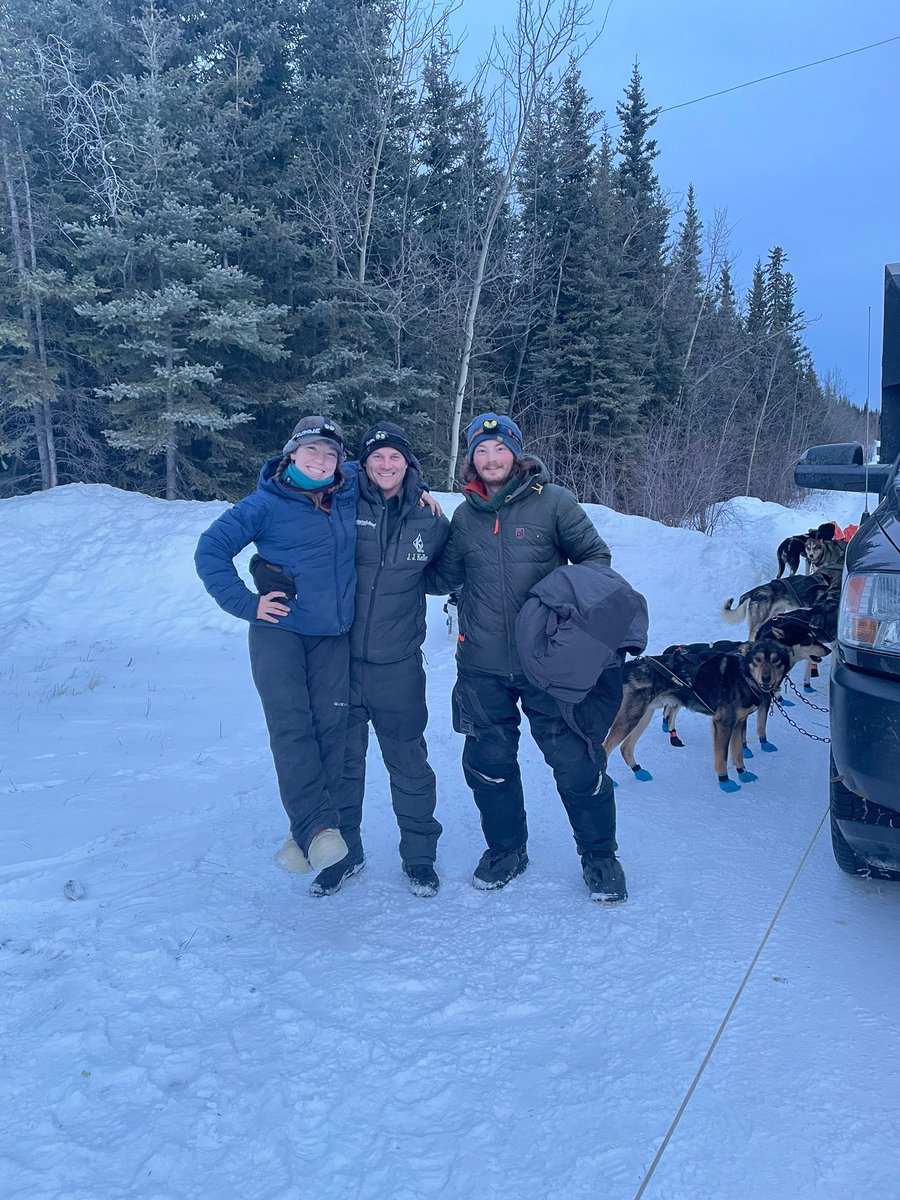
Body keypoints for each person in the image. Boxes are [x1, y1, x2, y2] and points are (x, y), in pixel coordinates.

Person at [430, 412, 629, 902]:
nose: (491, 458)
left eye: (500, 449)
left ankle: (600, 856)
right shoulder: (463, 516)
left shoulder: (554, 502)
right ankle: (506, 850)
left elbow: (596, 563)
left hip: (550, 666)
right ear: (471, 458)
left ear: (516, 453)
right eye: (482, 450)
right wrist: (424, 523)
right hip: (482, 666)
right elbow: (440, 580)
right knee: (488, 764)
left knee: (577, 763)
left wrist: (561, 614)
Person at [254, 421, 451, 899]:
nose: (386, 465)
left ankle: (420, 855)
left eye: (395, 457)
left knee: (409, 762)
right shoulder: (338, 502)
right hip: (339, 661)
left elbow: (446, 575)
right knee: (342, 764)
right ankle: (345, 854)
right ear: (362, 463)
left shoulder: (430, 519)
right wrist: (268, 570)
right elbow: (290, 499)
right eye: (377, 457)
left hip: (398, 665)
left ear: (410, 464)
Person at [194, 416, 358, 878]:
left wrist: (421, 489)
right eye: (312, 452)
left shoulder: (347, 489)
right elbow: (210, 550)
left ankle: (304, 832)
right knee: (292, 729)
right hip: (279, 633)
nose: (322, 461)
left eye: (331, 454)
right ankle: (318, 829)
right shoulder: (262, 504)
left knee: (331, 730)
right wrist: (247, 604)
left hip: (331, 634)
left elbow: (395, 464)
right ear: (291, 454)